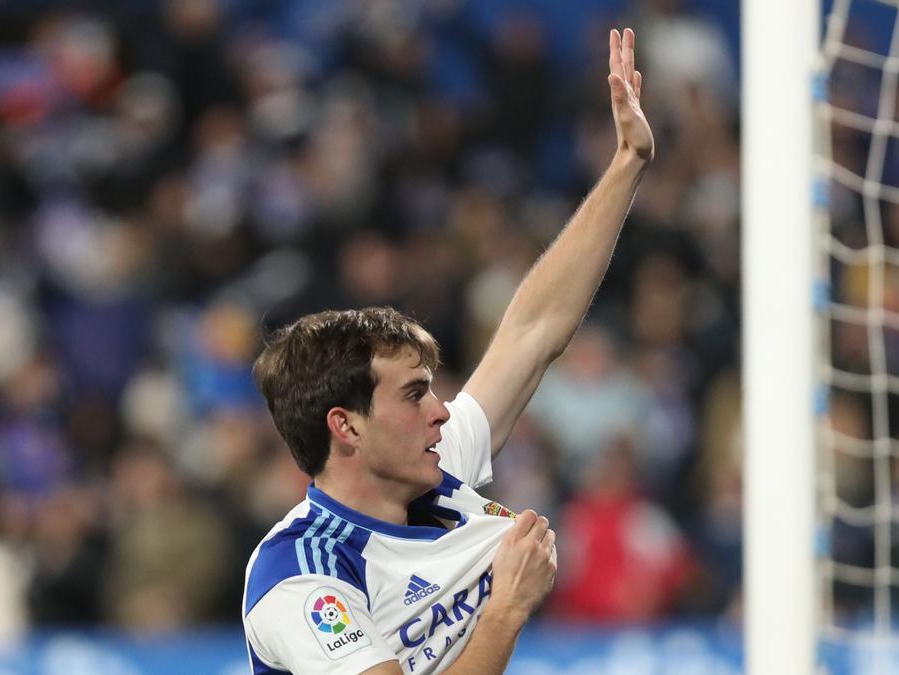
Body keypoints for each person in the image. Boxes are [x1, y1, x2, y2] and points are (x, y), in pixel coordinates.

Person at [242, 27, 654, 674]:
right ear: (345, 425)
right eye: (413, 394)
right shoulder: (302, 575)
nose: (441, 411)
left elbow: (534, 327)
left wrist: (627, 163)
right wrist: (505, 612)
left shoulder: (432, 471)